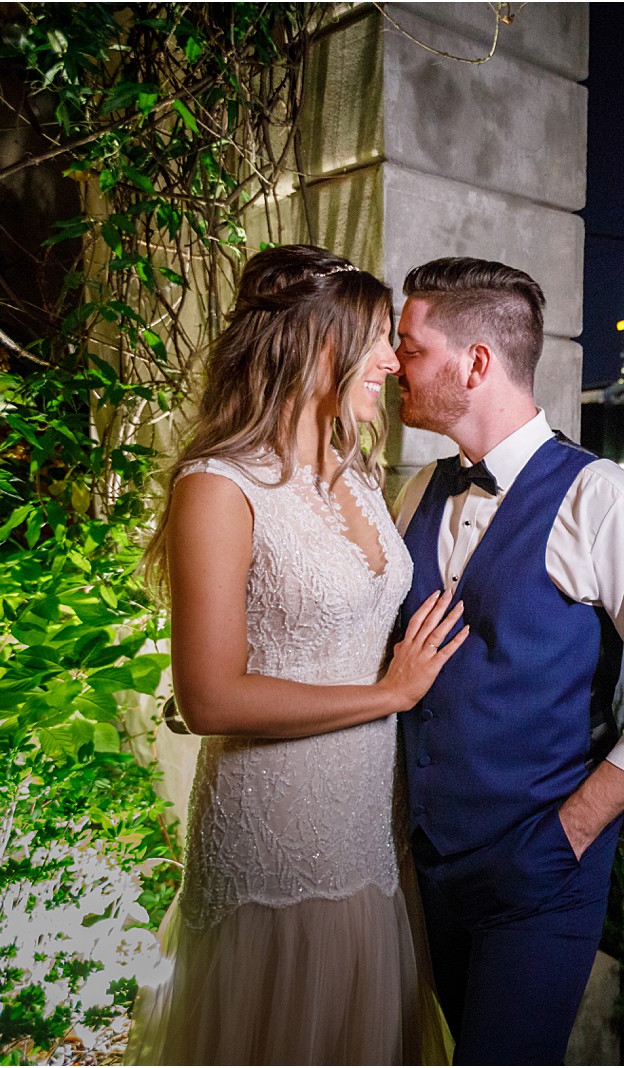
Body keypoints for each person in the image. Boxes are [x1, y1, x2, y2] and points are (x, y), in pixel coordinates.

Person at [127, 244, 464, 1065]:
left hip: (366, 835)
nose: (393, 358)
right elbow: (210, 698)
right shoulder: (219, 485)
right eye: (378, 337)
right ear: (317, 344)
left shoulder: (354, 475)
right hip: (271, 836)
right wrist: (389, 695)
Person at [391, 257, 624, 1064]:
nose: (394, 363)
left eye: (410, 346)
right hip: (421, 872)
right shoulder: (412, 492)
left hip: (539, 878)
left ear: (475, 363)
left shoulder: (606, 502)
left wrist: (570, 830)